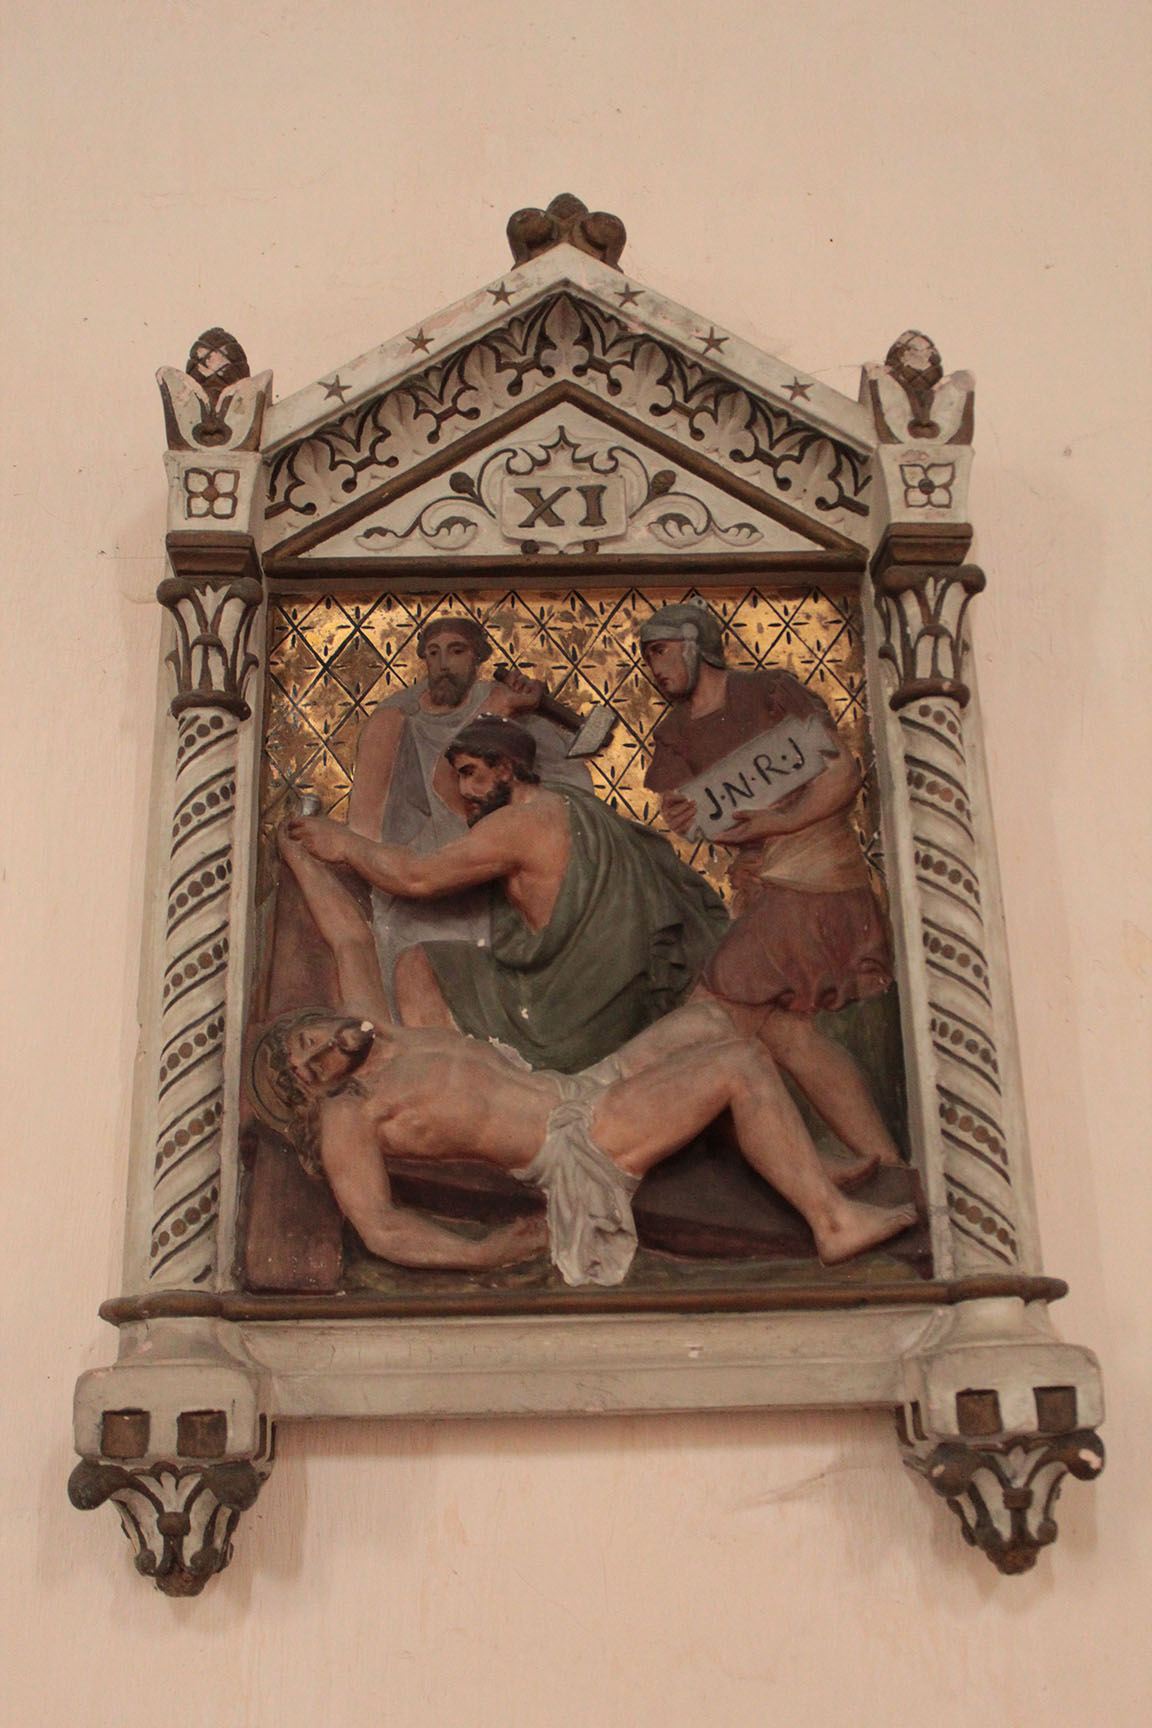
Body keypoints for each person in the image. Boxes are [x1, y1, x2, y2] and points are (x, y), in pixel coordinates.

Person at [248, 825, 918, 1285]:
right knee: (738, 1064)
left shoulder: (379, 1033)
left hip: (580, 1090)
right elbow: (381, 1227)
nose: (321, 1050)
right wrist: (484, 1253)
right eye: (311, 1068)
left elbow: (348, 938)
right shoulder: (350, 1114)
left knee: (710, 1020)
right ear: (317, 1091)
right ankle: (832, 1222)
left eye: (308, 1039)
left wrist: (299, 854)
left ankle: (797, 1162)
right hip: (578, 1142)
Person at [288, 716, 730, 1075]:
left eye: (470, 773)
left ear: (505, 768)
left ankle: (448, 1088)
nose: (464, 791)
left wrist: (345, 844)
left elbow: (417, 876)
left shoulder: (520, 822)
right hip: (617, 1002)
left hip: (568, 1014)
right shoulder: (575, 805)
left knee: (421, 965)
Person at [639, 601, 903, 1170]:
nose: (653, 668)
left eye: (660, 651)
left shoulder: (767, 694)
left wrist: (776, 823)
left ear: (694, 644)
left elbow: (842, 776)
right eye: (646, 657)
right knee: (787, 1037)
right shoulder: (676, 732)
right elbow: (702, 818)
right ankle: (880, 1165)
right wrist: (689, 818)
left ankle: (621, 1132)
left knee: (708, 1014)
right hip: (762, 891)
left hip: (813, 878)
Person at [346, 614, 590, 1004]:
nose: (443, 663)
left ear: (478, 657)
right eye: (433, 653)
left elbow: (568, 786)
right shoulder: (399, 718)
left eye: (456, 651)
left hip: (493, 875)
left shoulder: (507, 709)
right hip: (422, 872)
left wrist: (506, 707)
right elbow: (374, 823)